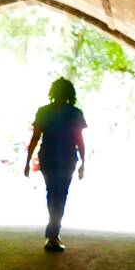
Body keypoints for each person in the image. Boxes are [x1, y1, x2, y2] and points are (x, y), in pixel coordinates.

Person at [24, 77, 86, 252]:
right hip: (67, 157)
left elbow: (35, 138)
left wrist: (27, 162)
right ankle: (53, 234)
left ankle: (52, 234)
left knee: (51, 193)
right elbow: (79, 140)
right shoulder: (75, 113)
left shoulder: (43, 112)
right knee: (61, 195)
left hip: (48, 157)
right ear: (70, 93)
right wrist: (83, 162)